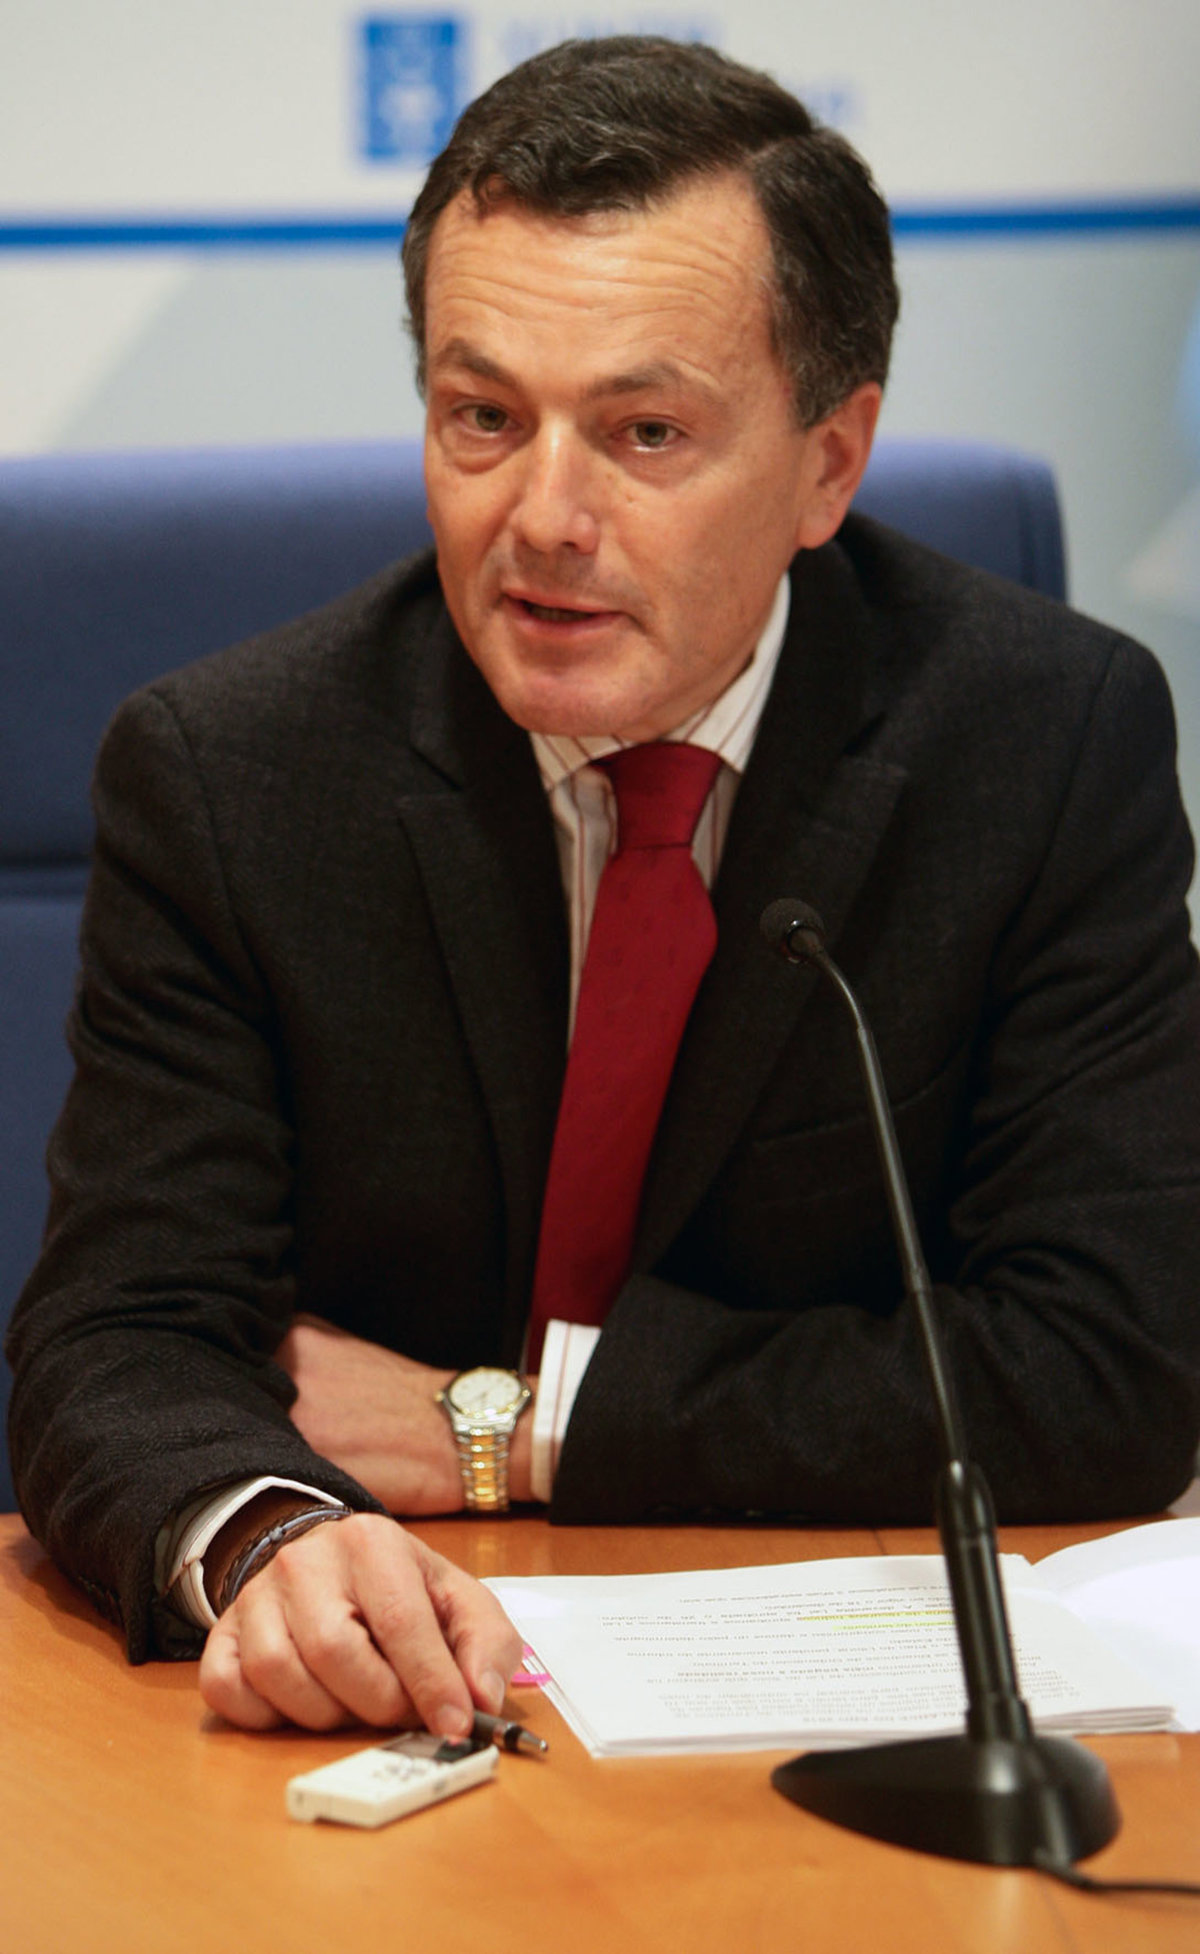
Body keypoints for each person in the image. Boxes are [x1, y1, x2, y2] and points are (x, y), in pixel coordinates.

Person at [8, 37, 1200, 1739]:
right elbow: (118, 1334)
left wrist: (520, 1421)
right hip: (407, 1696)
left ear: (830, 463)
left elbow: (1112, 1366)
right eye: (483, 418)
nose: (545, 517)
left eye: (646, 432)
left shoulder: (1045, 741)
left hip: (842, 1683)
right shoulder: (234, 775)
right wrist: (276, 1537)